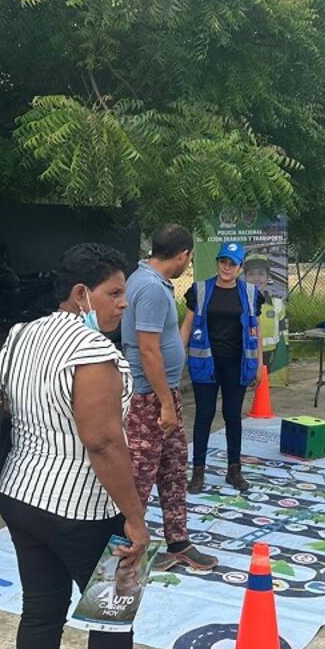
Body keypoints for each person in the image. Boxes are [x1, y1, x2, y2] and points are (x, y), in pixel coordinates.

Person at [0, 243, 169, 649]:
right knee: (113, 617)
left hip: (21, 495)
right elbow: (103, 442)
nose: (123, 304)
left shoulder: (19, 336)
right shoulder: (96, 352)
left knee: (41, 613)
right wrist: (136, 519)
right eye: (114, 293)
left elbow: (9, 405)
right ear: (81, 294)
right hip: (84, 509)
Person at [123, 224, 218, 573]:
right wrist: (164, 402)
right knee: (140, 474)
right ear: (183, 255)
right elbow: (147, 350)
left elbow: (164, 340)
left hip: (165, 394)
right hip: (149, 398)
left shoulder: (152, 283)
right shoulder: (149, 287)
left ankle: (178, 542)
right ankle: (131, 546)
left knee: (173, 468)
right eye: (188, 259)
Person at [182, 241, 264, 494]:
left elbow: (255, 330)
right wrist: (174, 358)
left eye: (232, 263)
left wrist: (260, 365)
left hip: (236, 365)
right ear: (217, 263)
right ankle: (198, 472)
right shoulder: (200, 290)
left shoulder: (251, 293)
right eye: (223, 262)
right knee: (204, 416)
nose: (226, 267)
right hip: (205, 363)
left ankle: (234, 470)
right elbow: (186, 326)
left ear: (240, 268)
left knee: (232, 416)